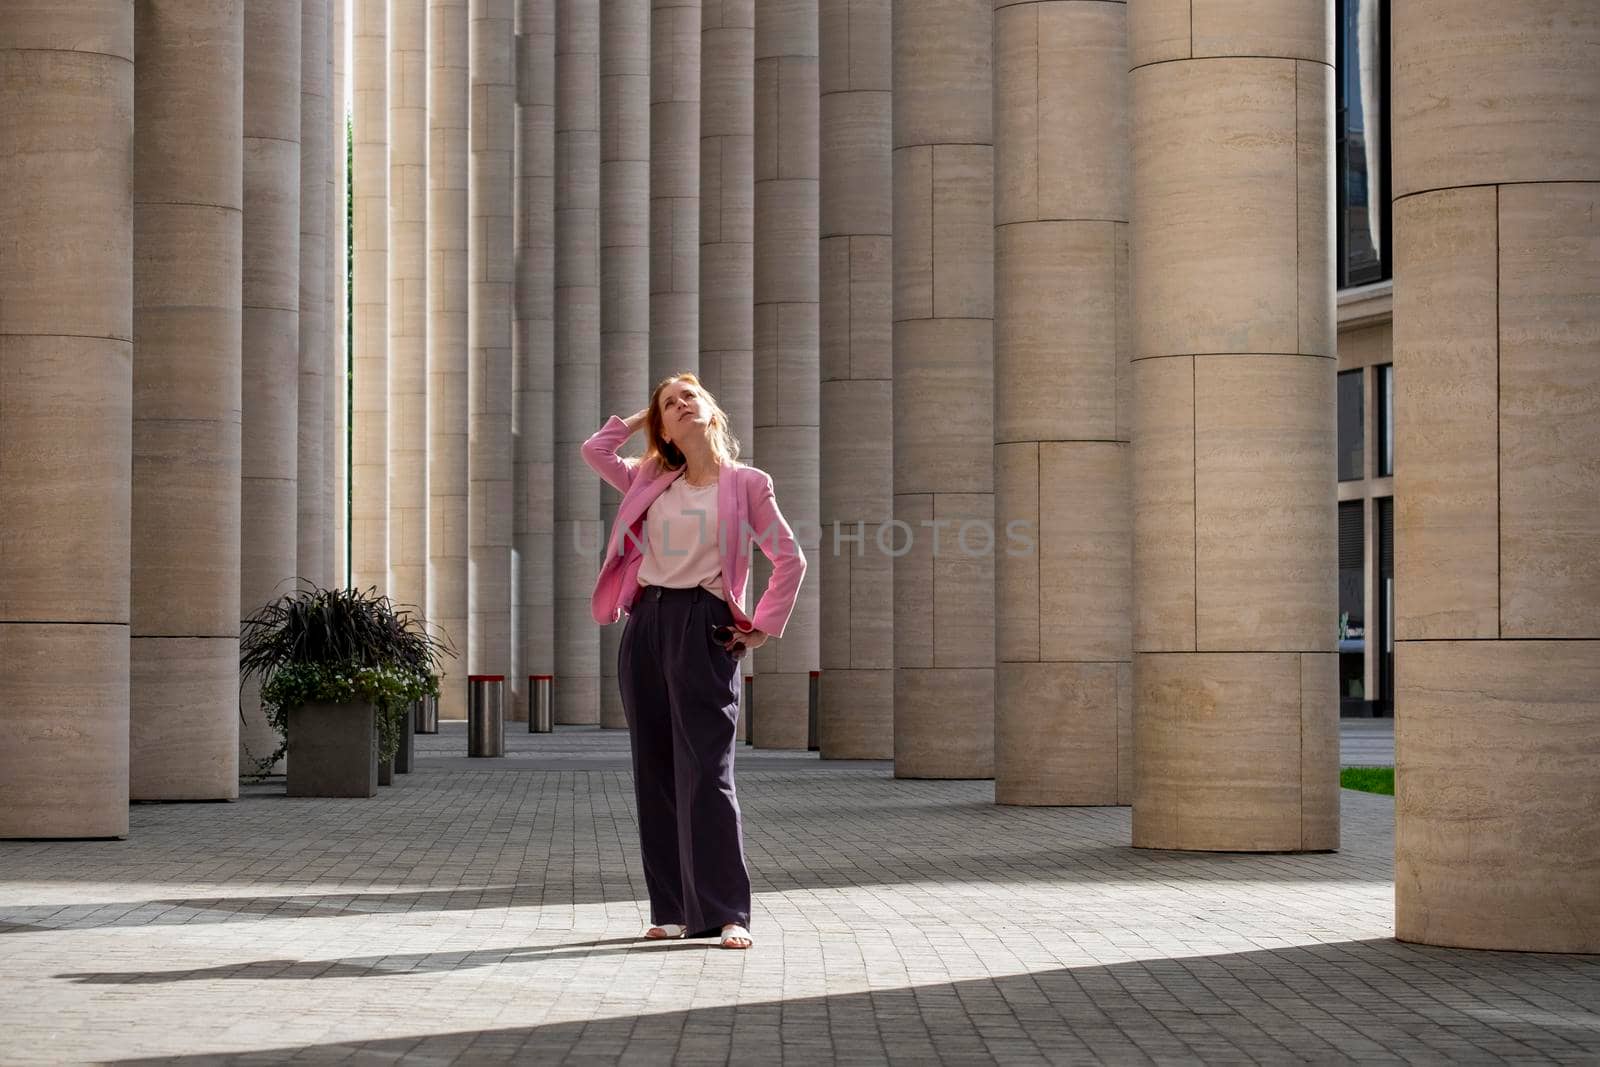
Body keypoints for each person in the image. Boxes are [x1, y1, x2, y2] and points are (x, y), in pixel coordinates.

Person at [581, 373, 806, 950]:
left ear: (712, 411)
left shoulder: (747, 483)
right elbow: (595, 449)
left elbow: (789, 560)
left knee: (708, 770)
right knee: (653, 768)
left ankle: (728, 911)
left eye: (690, 397)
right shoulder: (649, 478)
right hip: (647, 624)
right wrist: (643, 418)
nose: (682, 405)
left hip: (704, 626)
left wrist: (759, 628)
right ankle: (673, 909)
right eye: (670, 404)